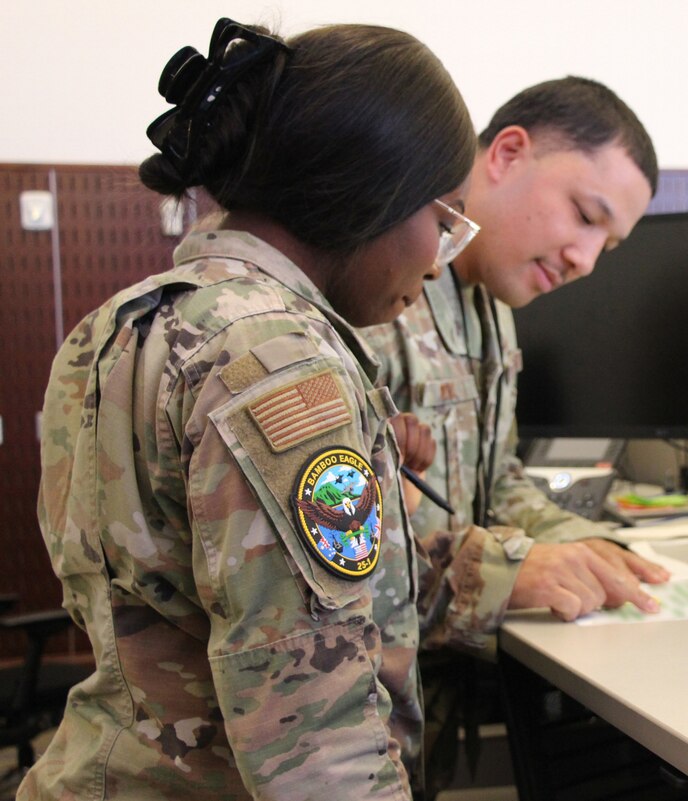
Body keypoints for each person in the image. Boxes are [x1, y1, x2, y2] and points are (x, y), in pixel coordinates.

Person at [24, 21, 648, 801]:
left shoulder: (123, 323)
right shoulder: (282, 363)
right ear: (374, 190)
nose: (435, 258)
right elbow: (315, 741)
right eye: (445, 217)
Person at [360, 76, 667, 794]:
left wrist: (584, 547)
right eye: (585, 216)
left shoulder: (491, 303)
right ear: (506, 152)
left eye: (609, 244)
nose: (585, 260)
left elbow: (495, 480)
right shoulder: (372, 276)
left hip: (417, 711)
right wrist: (505, 572)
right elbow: (327, 543)